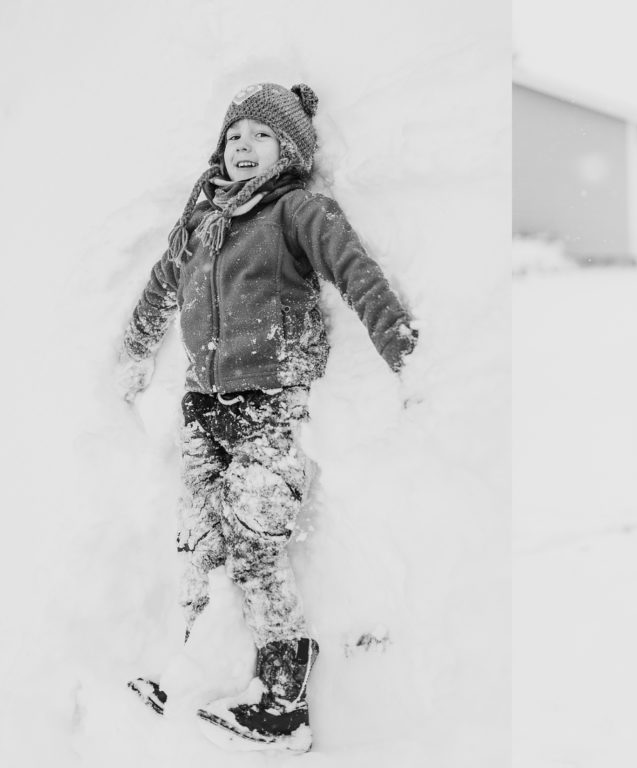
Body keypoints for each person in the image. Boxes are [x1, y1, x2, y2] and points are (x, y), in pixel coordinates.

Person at [116, 82, 419, 752]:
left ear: (289, 150)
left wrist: (408, 356)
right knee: (200, 544)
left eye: (260, 135)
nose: (242, 146)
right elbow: (157, 292)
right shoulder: (199, 223)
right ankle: (193, 671)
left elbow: (358, 274)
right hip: (201, 409)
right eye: (233, 135)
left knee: (255, 545)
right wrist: (133, 354)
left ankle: (285, 699)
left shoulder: (297, 210)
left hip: (271, 405)